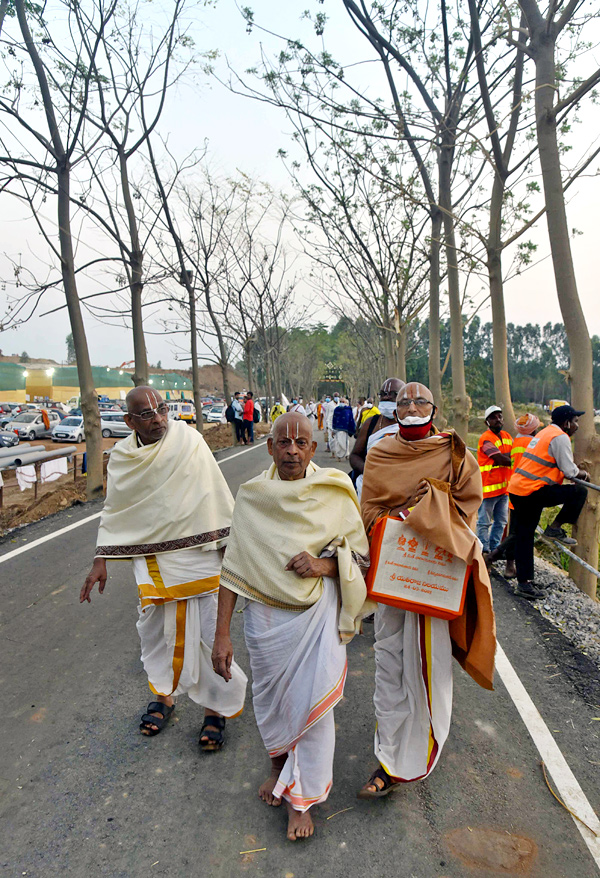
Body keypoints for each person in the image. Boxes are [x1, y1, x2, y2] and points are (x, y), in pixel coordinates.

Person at [212, 412, 370, 841]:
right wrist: (221, 634)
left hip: (315, 617)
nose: (292, 450)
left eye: (301, 442)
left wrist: (322, 564)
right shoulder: (252, 496)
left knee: (314, 710)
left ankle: (301, 801)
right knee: (273, 703)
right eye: (283, 442)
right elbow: (233, 567)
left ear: (313, 448)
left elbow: (362, 558)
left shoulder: (334, 491)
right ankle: (279, 767)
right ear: (270, 447)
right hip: (263, 621)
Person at [81, 387, 247, 747]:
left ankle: (214, 711)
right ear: (129, 421)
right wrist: (101, 558)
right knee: (154, 631)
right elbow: (116, 508)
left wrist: (230, 554)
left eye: (161, 409)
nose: (157, 417)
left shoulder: (189, 441)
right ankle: (164, 695)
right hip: (153, 561)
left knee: (206, 635)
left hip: (201, 554)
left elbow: (215, 495)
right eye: (146, 413)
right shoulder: (123, 457)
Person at [359, 382, 495, 797]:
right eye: (404, 401)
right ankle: (389, 747)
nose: (412, 405)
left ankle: (405, 760)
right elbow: (367, 510)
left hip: (434, 579)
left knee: (426, 667)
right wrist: (401, 515)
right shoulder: (380, 452)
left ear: (434, 408)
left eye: (420, 400)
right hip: (394, 575)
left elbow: (468, 511)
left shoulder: (455, 454)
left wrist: (432, 504)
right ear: (393, 409)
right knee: (388, 662)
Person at [508, 405, 590, 599]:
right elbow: (570, 472)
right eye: (575, 422)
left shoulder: (545, 433)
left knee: (524, 536)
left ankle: (524, 581)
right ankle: (554, 528)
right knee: (579, 490)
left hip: (519, 489)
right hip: (531, 491)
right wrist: (584, 473)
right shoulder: (560, 437)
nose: (577, 426)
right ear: (566, 422)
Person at [486, 413, 541, 578]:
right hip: (527, 492)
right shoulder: (533, 443)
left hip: (514, 490)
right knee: (518, 532)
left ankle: (510, 567)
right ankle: (492, 557)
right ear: (533, 429)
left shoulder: (516, 441)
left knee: (515, 530)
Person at [350, 378, 405, 500]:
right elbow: (354, 456)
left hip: (401, 490)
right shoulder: (371, 423)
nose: (386, 397)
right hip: (368, 487)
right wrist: (371, 471)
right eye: (383, 394)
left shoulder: (412, 424)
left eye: (393, 394)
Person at [476, 406, 513, 558]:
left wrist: (508, 457)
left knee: (501, 521)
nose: (497, 419)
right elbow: (500, 458)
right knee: (484, 522)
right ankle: (483, 550)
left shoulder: (507, 436)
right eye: (493, 417)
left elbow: (510, 456)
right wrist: (510, 458)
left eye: (499, 416)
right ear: (487, 422)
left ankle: (495, 549)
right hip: (488, 488)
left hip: (504, 489)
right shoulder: (486, 438)